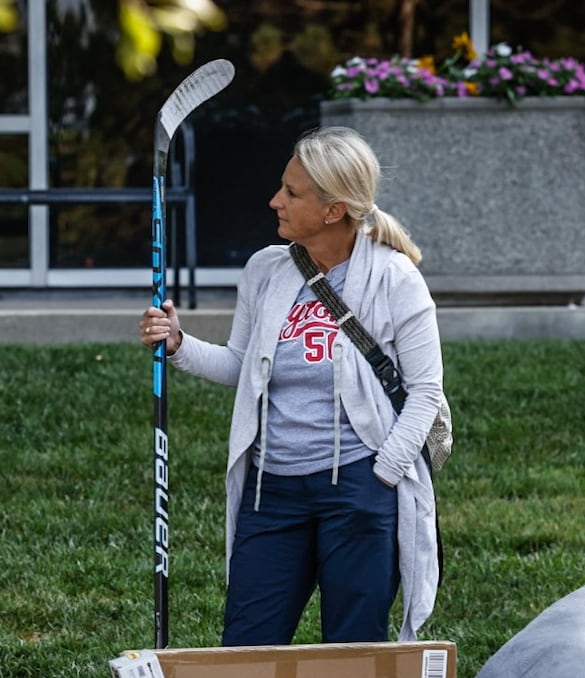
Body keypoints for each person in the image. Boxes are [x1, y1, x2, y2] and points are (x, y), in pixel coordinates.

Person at [138, 125, 444, 644]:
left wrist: (383, 475)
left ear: (333, 210)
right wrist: (178, 346)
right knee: (247, 646)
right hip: (271, 489)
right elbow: (243, 365)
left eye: (292, 193)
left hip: (357, 487)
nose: (275, 200)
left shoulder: (394, 279)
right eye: (282, 186)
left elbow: (425, 394)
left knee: (353, 650)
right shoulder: (266, 269)